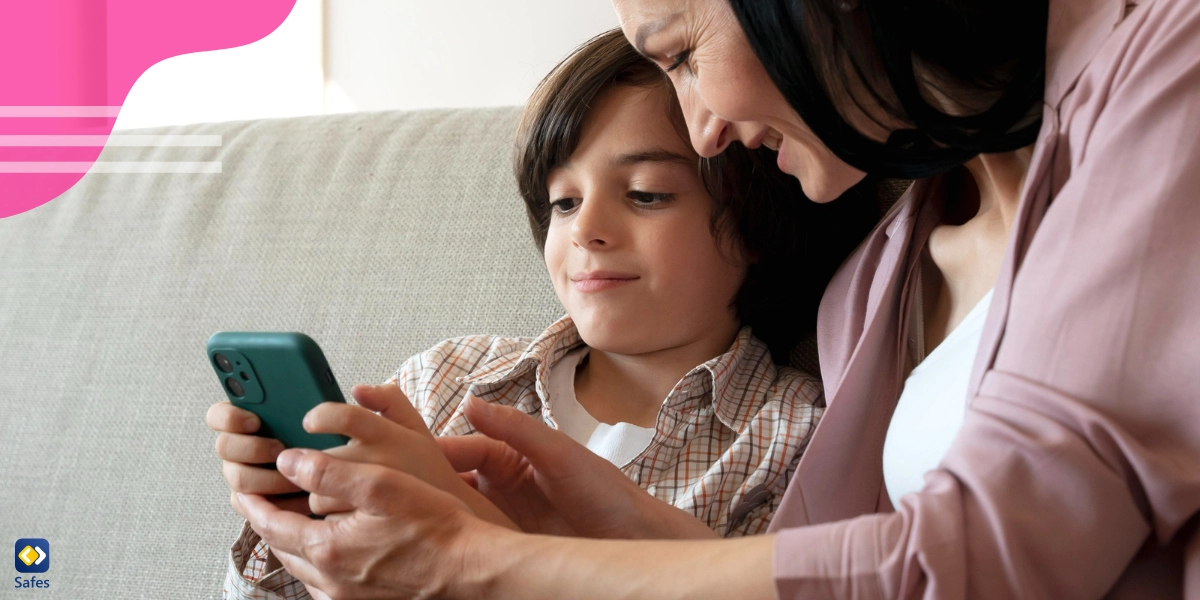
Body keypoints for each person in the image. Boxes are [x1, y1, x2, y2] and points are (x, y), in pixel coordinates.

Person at [234, 0, 1200, 598]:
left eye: (685, 55)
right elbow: (836, 576)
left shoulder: (1170, 70)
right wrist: (571, 533)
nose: (702, 132)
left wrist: (476, 567)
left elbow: (972, 564)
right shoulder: (874, 286)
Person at [208, 29, 878, 600]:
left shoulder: (794, 440)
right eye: (561, 202)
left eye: (645, 194)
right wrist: (292, 509)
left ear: (756, 223)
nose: (586, 228)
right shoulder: (443, 381)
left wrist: (471, 539)